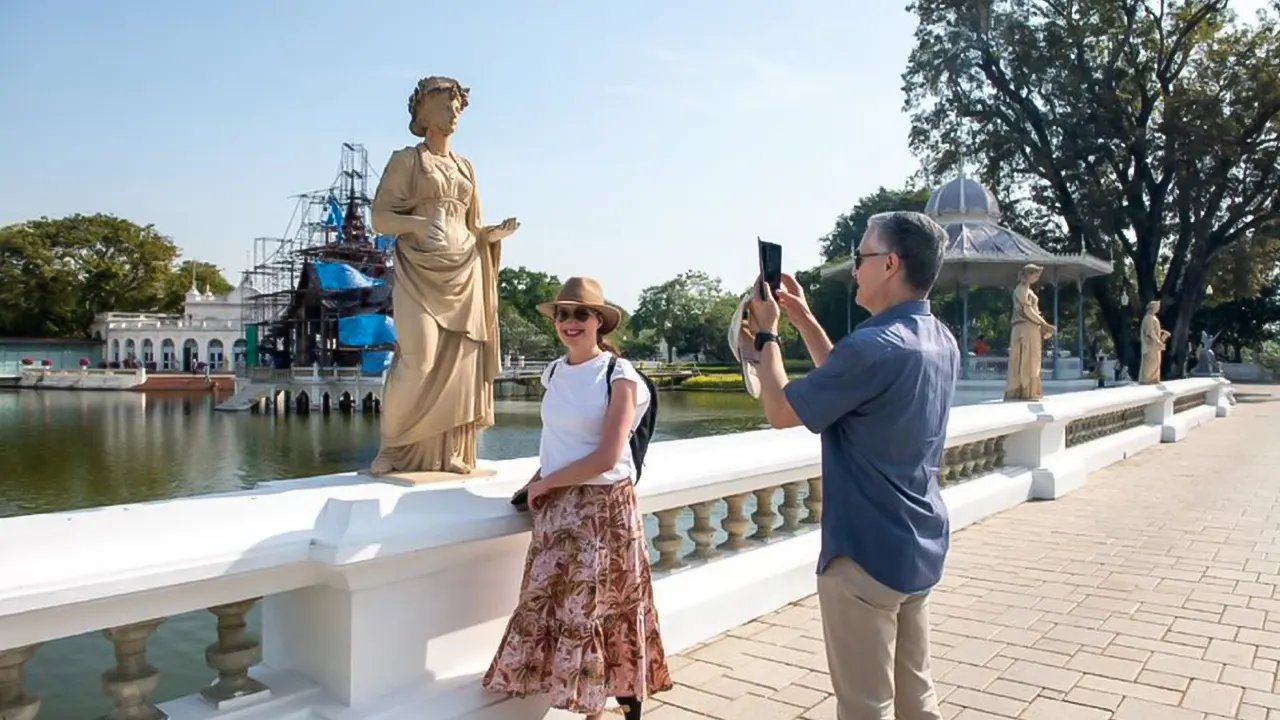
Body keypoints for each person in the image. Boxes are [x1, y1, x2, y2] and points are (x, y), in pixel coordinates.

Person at [747, 211, 959, 720]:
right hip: (917, 542)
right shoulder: (938, 339)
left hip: (864, 553)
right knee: (918, 698)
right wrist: (802, 319)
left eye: (860, 257)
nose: (854, 268)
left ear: (889, 264)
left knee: (865, 708)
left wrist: (768, 336)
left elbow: (780, 411)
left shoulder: (873, 347)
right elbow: (850, 376)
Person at [482, 277, 672, 720]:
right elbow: (558, 440)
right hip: (559, 509)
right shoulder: (554, 371)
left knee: (604, 607)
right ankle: (590, 704)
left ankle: (618, 704)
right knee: (553, 602)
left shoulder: (619, 375)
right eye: (563, 314)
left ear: (599, 322)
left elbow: (608, 456)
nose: (570, 322)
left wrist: (547, 485)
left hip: (604, 509)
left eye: (581, 314)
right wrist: (537, 480)